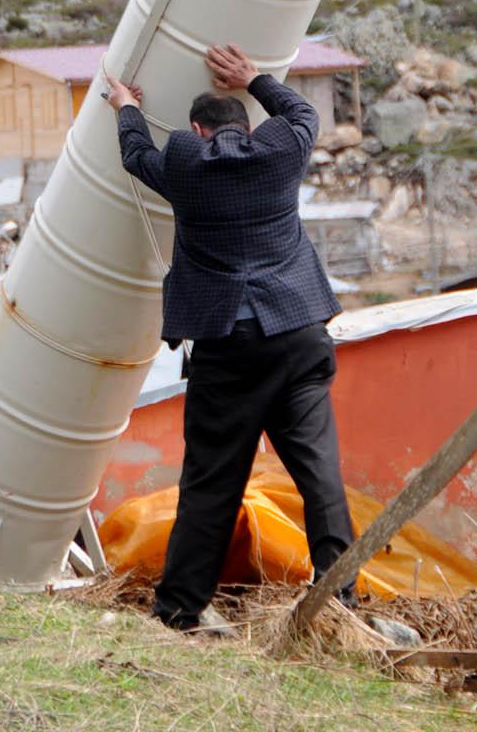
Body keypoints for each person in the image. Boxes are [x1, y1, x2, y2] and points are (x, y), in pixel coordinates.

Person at [104, 42, 355, 635]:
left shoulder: (187, 168)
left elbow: (137, 155)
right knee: (320, 477)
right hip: (298, 334)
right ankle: (341, 603)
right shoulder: (283, 153)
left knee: (212, 485)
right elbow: (302, 113)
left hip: (228, 345)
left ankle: (179, 611)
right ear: (246, 125)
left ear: (198, 130)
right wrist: (254, 77)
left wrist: (126, 107)